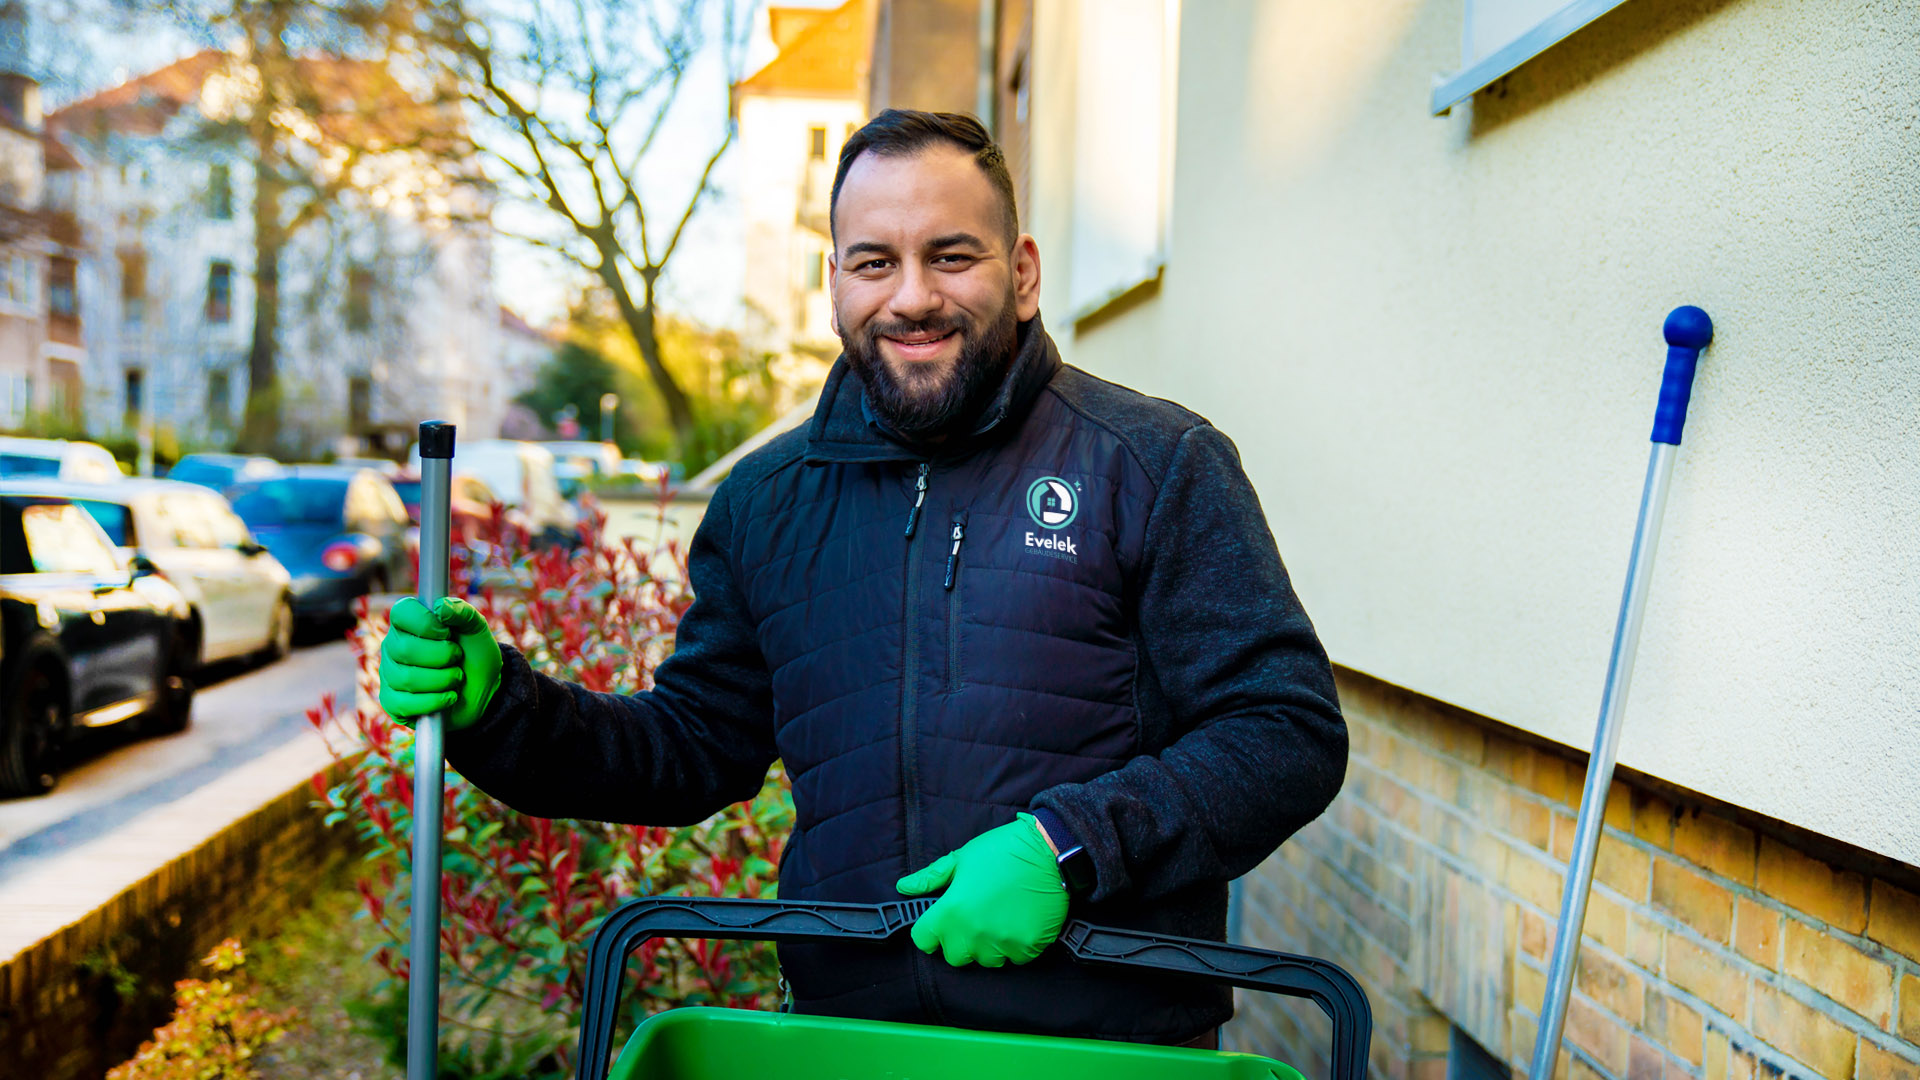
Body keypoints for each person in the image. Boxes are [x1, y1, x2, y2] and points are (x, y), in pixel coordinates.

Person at [377, 109, 1347, 1048]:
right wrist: (500, 708)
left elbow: (1285, 729)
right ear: (834, 281)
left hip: (1105, 1046)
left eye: (952, 255)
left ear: (1023, 274)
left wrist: (1069, 847)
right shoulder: (767, 501)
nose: (912, 296)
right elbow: (692, 748)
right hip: (847, 1038)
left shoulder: (1151, 462)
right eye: (875, 261)